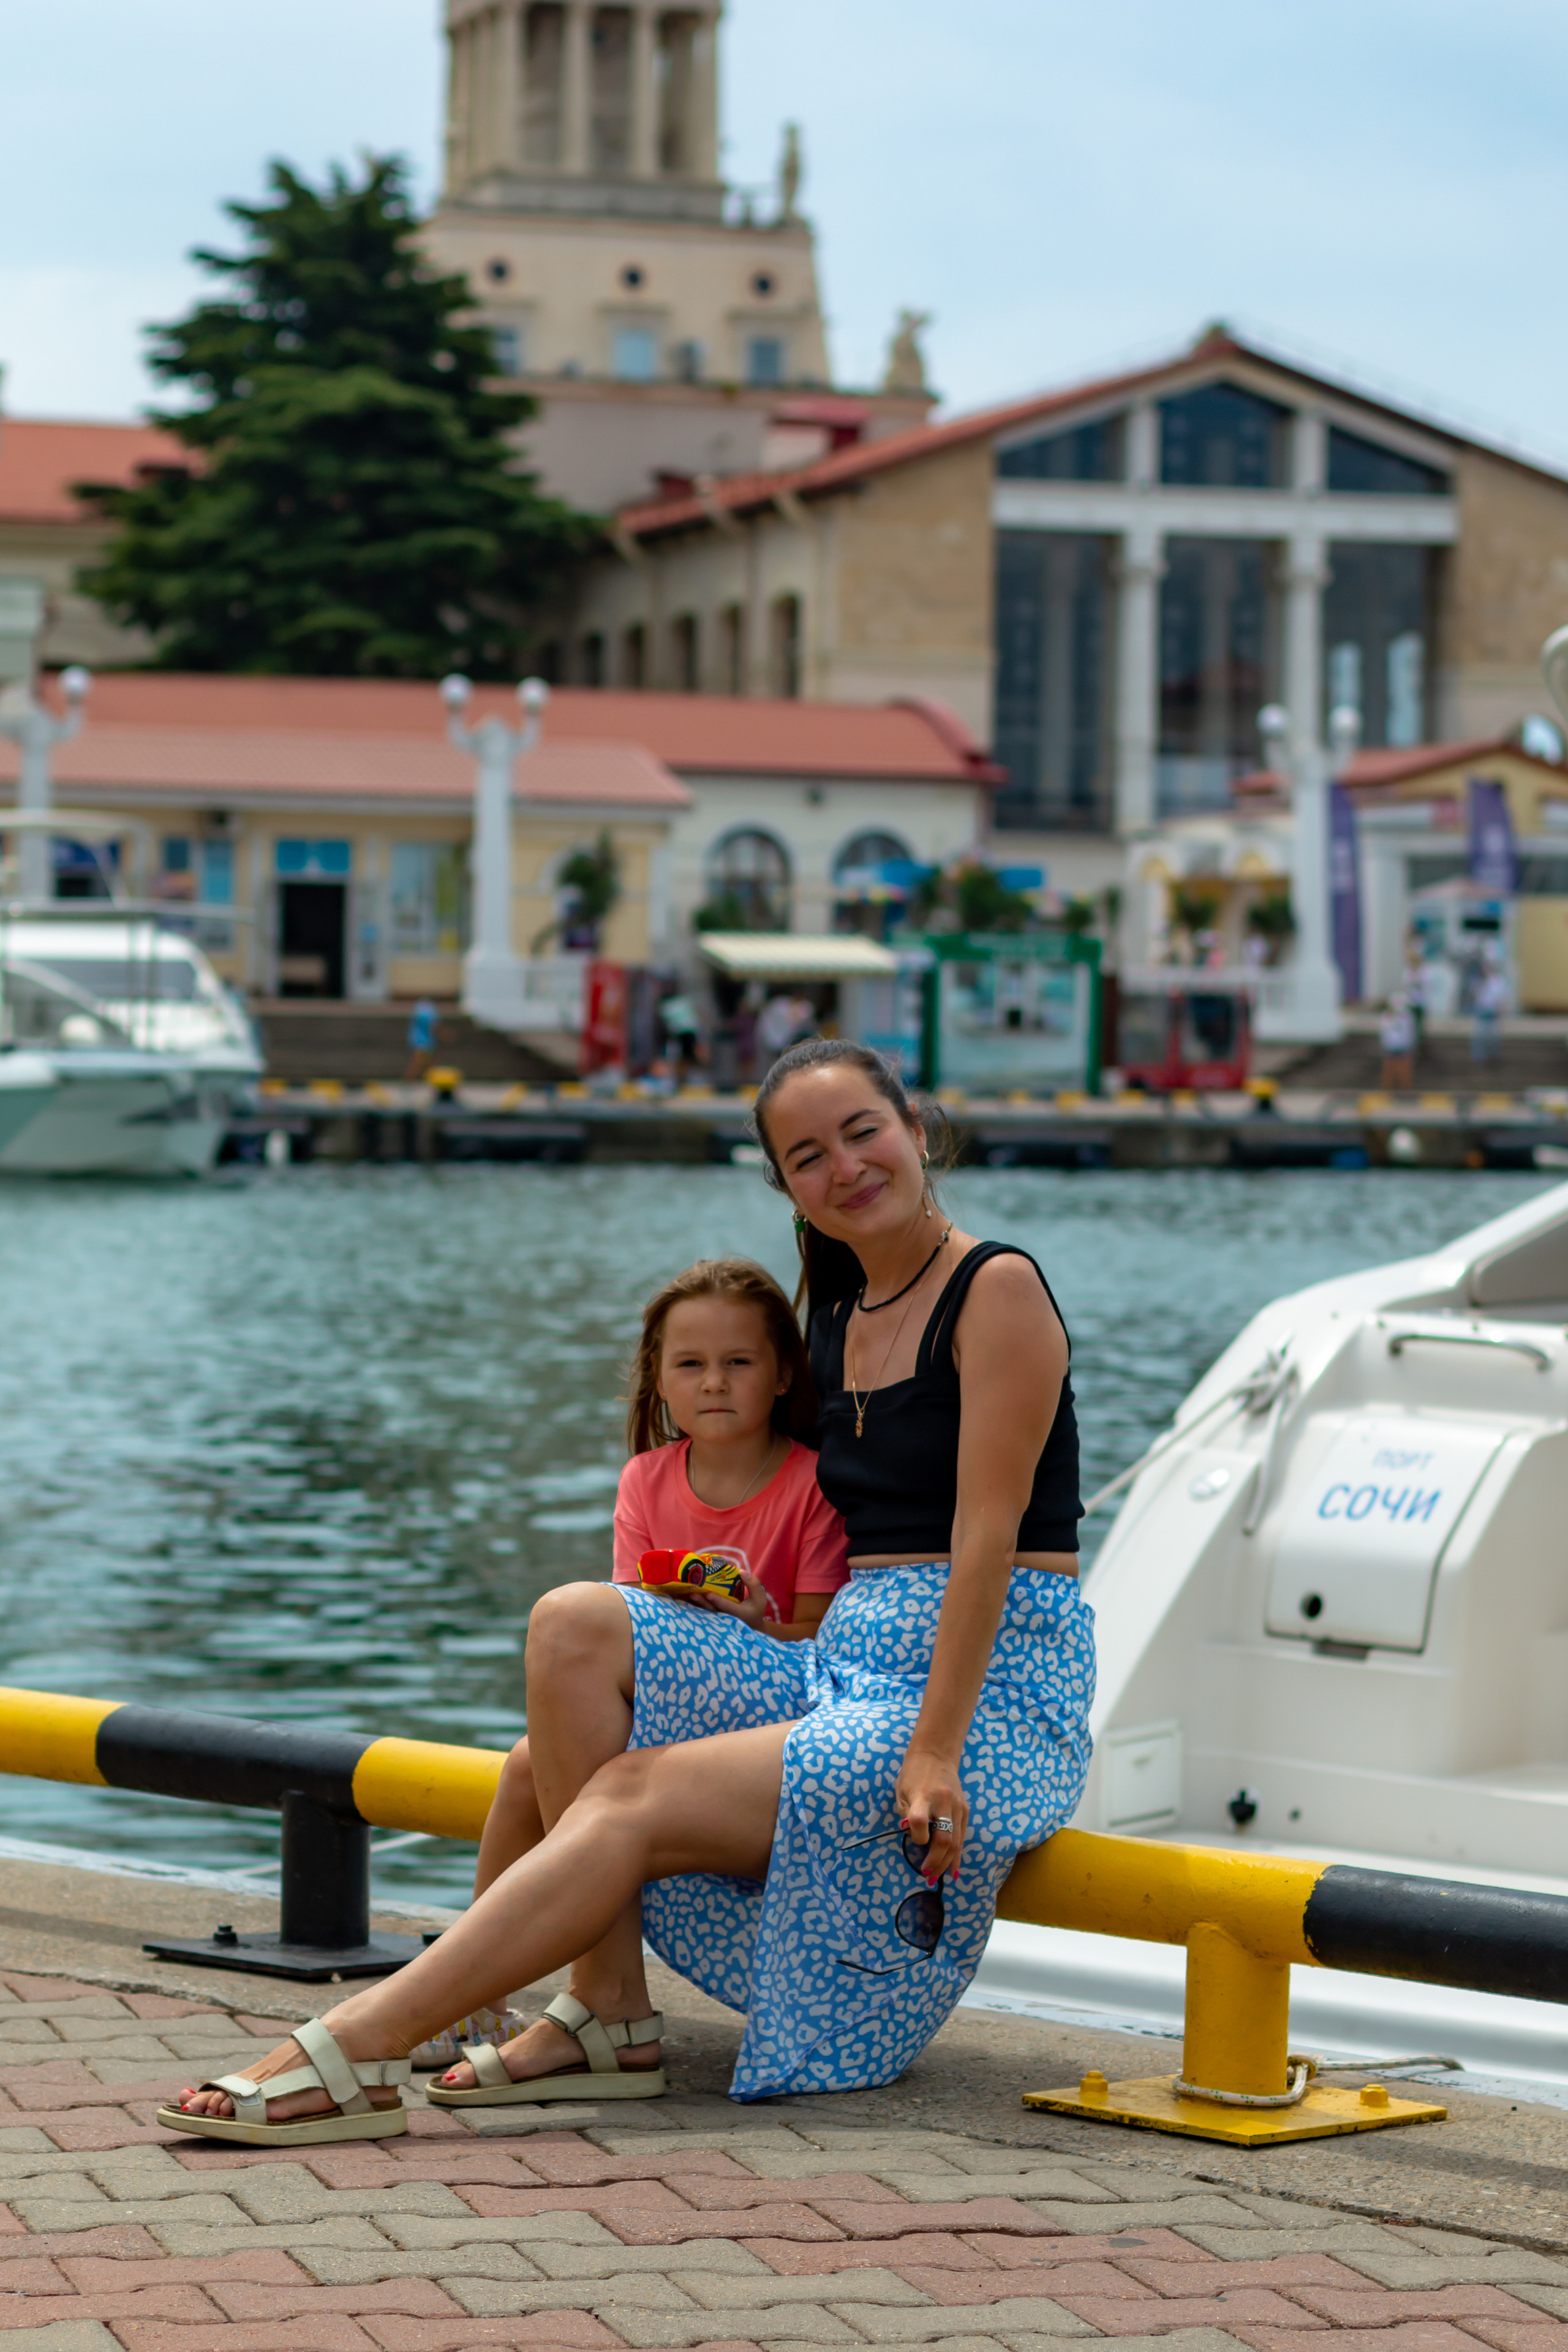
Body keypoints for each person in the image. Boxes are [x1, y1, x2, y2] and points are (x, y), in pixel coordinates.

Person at [162, 1038, 1093, 2143]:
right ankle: (608, 2005)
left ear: (916, 1129)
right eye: (807, 1156)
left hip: (987, 1687)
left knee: (629, 1794)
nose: (844, 1167)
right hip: (843, 1662)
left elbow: (986, 1536)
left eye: (862, 1132)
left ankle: (358, 2045)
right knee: (574, 1626)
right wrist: (727, 1602)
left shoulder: (996, 1289)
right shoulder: (839, 1312)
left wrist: (936, 1748)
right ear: (786, 1185)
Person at [412, 1257, 850, 2071]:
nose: (713, 1382)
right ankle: (476, 2004)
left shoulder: (809, 1482)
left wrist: (757, 1621)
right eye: (690, 1364)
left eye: (738, 1363)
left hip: (770, 1706)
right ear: (657, 1379)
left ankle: (583, 1999)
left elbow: (821, 1643)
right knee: (524, 1766)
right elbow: (621, 1623)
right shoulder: (647, 1479)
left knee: (533, 1756)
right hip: (669, 1697)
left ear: (784, 1373)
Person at [1380, 995, 1415, 1092]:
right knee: (1389, 1071)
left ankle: (1405, 1090)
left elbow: (1411, 1032)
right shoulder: (1386, 1016)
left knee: (1404, 1070)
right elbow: (1384, 1032)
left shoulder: (1408, 1016)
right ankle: (1387, 1090)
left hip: (1403, 1047)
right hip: (1390, 1047)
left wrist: (1411, 1046)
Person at [404, 997, 440, 1081]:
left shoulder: (419, 1009)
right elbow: (432, 1026)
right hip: (423, 1043)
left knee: (429, 1064)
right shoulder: (427, 1012)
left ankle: (432, 1083)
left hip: (422, 1042)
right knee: (418, 1064)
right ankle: (408, 1082)